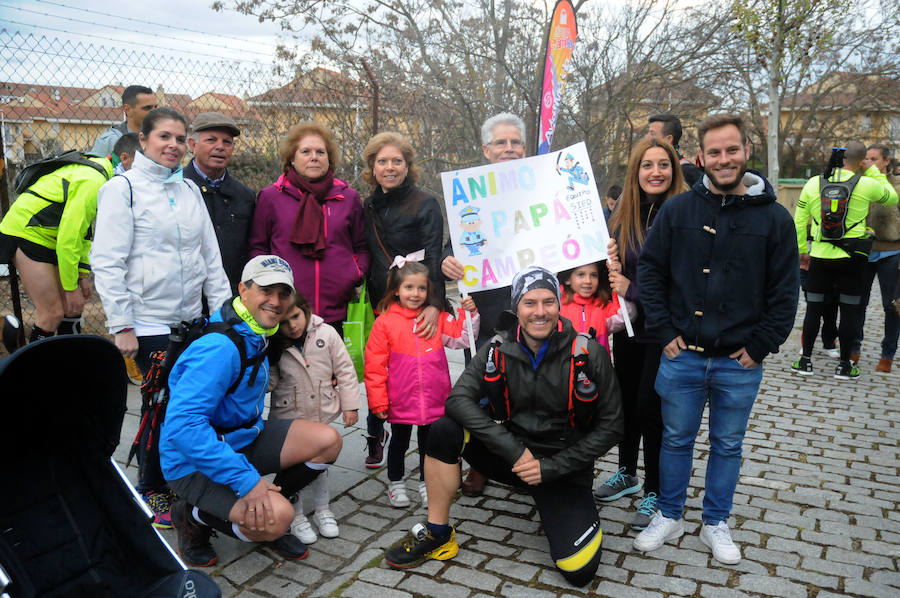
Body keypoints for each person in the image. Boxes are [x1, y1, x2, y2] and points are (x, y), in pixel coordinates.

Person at [382, 266, 622, 587]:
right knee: (444, 429)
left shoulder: (588, 352)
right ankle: (438, 533)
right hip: (513, 460)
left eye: (548, 302)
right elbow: (458, 400)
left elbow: (613, 426)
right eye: (530, 303)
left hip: (562, 470)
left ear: (559, 304)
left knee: (579, 571)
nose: (540, 312)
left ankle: (553, 501)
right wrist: (514, 450)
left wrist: (550, 468)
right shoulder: (497, 346)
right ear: (516, 306)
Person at [635, 113, 799, 565]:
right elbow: (650, 271)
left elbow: (785, 292)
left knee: (728, 445)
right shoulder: (678, 210)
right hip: (683, 355)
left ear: (746, 150)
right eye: (714, 152)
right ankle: (669, 514)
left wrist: (762, 344)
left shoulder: (776, 219)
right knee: (675, 440)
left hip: (738, 361)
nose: (723, 159)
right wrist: (664, 330)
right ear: (701, 157)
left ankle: (716, 521)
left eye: (731, 150)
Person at [91, 106, 232, 528]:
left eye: (179, 138)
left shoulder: (189, 190)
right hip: (148, 324)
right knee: (158, 407)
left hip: (192, 322)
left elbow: (210, 257)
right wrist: (122, 325)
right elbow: (107, 262)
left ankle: (184, 479)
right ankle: (150, 488)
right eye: (163, 137)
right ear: (145, 141)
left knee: (190, 407)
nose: (173, 145)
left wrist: (223, 316)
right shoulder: (123, 190)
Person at [160, 255, 343, 566]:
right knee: (279, 518)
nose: (275, 301)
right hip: (191, 464)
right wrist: (246, 481)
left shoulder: (255, 331)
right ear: (243, 290)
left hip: (241, 440)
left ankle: (263, 503)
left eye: (283, 294)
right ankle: (194, 517)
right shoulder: (220, 347)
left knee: (329, 441)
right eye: (265, 291)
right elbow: (183, 428)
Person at [594, 138, 687, 531]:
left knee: (652, 409)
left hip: (663, 332)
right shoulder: (623, 217)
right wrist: (606, 267)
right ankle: (627, 472)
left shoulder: (683, 214)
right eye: (647, 165)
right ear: (635, 172)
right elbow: (608, 276)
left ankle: (655, 487)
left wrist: (629, 286)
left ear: (673, 169)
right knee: (627, 404)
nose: (655, 172)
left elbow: (679, 281)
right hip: (628, 328)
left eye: (663, 164)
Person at [440, 112, 527, 497]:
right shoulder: (469, 194)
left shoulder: (541, 189)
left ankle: (532, 463)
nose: (509, 149)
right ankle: (480, 464)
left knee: (535, 393)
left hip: (536, 311)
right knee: (483, 393)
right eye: (501, 143)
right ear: (486, 151)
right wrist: (447, 260)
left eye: (516, 143)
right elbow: (453, 246)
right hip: (485, 312)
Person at [361, 132, 446, 469]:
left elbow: (435, 254)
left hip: (415, 301)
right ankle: (374, 432)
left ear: (408, 166)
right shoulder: (366, 204)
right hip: (380, 299)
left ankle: (415, 428)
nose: (390, 167)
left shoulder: (424, 203)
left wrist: (434, 304)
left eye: (397, 161)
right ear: (372, 166)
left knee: (409, 370)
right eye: (382, 161)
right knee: (378, 364)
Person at [364, 257, 478, 508]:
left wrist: (470, 312)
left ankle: (428, 485)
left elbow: (462, 338)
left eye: (421, 288)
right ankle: (396, 483)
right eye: (409, 287)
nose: (415, 294)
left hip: (435, 398)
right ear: (396, 290)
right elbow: (374, 366)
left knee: (429, 446)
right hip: (402, 399)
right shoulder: (385, 323)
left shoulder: (435, 319)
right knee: (399, 443)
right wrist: (378, 401)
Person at [250, 122, 369, 333]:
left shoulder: (348, 198)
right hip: (286, 310)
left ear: (329, 159)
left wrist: (354, 273)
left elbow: (361, 245)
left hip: (336, 310)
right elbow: (258, 247)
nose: (314, 157)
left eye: (320, 152)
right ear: (292, 159)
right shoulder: (271, 197)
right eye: (305, 151)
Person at [791, 141, 898, 379]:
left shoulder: (813, 183)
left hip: (819, 256)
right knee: (850, 311)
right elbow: (891, 197)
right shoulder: (867, 184)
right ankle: (844, 365)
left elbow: (799, 220)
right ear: (860, 160)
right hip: (852, 259)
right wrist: (870, 169)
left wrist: (803, 251)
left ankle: (805, 360)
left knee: (814, 309)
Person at [267, 291, 359, 544]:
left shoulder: (326, 334)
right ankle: (296, 516)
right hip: (289, 417)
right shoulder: (276, 343)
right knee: (293, 468)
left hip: (320, 412)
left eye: (295, 317)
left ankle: (322, 509)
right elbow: (270, 381)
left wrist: (350, 404)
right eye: (284, 322)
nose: (292, 326)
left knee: (320, 466)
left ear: (305, 310)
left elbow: (344, 369)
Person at [0, 152, 113, 344]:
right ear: (126, 159)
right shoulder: (94, 179)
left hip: (52, 237)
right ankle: (35, 368)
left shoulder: (102, 176)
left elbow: (83, 230)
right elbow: (69, 239)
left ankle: (68, 364)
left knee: (74, 308)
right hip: (28, 233)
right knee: (52, 313)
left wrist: (82, 274)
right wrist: (70, 289)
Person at [184, 112, 257, 294]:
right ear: (192, 145)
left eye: (227, 142)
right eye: (211, 140)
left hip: (232, 297)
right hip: (185, 297)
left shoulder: (245, 196)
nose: (220, 147)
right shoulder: (176, 190)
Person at [849, 144, 900, 372]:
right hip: (864, 250)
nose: (867, 162)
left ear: (886, 161)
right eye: (865, 158)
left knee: (891, 306)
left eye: (873, 158)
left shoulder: (896, 185)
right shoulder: (859, 183)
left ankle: (887, 354)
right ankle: (853, 348)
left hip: (891, 251)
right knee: (858, 301)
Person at [557, 261, 633, 353]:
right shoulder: (557, 307)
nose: (588, 281)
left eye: (593, 275)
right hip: (565, 366)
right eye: (581, 275)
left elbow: (626, 314)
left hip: (599, 366)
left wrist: (617, 281)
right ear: (567, 279)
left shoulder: (602, 307)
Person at [90, 85, 158, 159]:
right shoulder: (110, 141)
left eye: (155, 107)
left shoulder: (162, 137)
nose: (154, 112)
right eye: (147, 108)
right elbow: (92, 169)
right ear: (127, 109)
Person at [647, 113, 703, 188]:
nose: (646, 137)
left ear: (668, 139)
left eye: (652, 133)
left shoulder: (687, 171)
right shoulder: (644, 167)